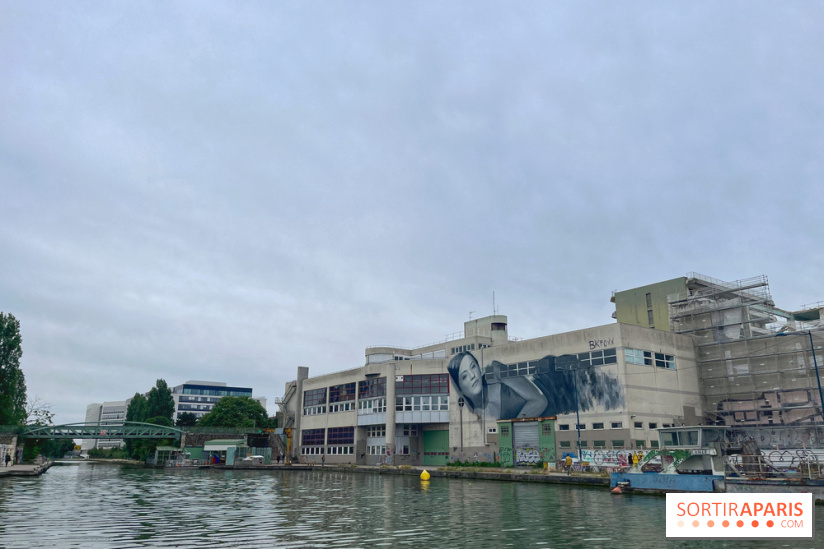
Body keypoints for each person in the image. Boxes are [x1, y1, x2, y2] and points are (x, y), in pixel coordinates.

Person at [447, 351, 548, 420]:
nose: (472, 375)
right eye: (464, 376)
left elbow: (540, 401)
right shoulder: (475, 414)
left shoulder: (496, 370)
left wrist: (513, 427)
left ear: (480, 369)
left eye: (473, 366)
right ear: (460, 389)